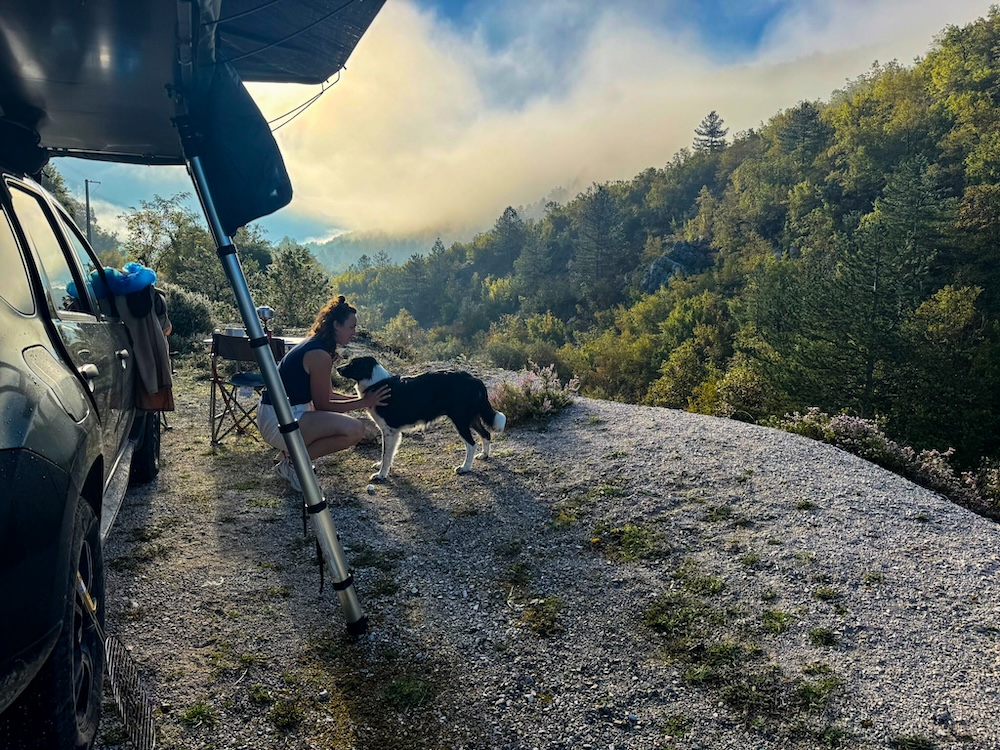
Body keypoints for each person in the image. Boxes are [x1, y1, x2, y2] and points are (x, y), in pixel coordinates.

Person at [257, 295, 390, 490]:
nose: (354, 333)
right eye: (351, 327)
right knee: (355, 430)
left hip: (281, 413)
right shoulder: (319, 355)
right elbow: (324, 405)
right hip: (279, 420)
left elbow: (328, 394)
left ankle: (289, 458)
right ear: (336, 325)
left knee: (350, 426)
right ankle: (294, 465)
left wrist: (361, 399)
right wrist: (364, 402)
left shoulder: (318, 346)